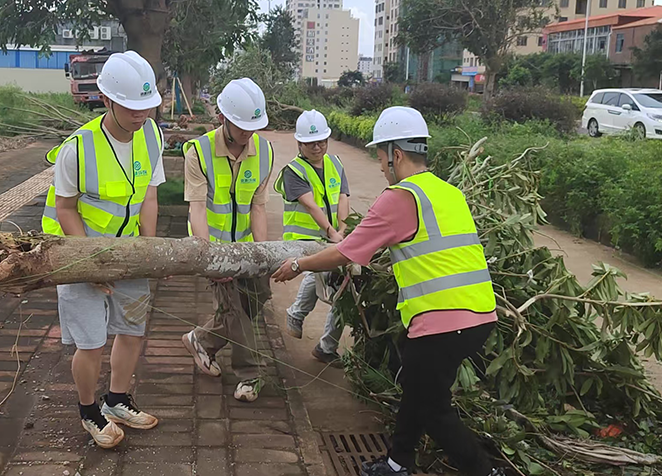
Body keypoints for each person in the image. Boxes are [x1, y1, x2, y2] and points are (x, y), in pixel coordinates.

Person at [272, 107, 504, 476]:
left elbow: (347, 251)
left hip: (443, 321)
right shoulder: (448, 192)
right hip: (479, 314)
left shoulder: (400, 197)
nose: (380, 167)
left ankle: (484, 471)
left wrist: (299, 265)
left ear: (396, 155)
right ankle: (397, 463)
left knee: (433, 408)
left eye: (380, 158)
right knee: (416, 387)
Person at [41, 51, 163, 449]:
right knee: (91, 341)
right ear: (107, 100)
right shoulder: (77, 148)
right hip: (79, 252)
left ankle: (117, 400)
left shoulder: (152, 135)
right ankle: (89, 411)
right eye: (130, 106)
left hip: (129, 252)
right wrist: (89, 264)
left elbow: (148, 195)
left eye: (146, 105)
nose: (140, 114)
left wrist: (148, 249)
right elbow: (65, 209)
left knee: (132, 330)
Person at [180, 78, 274, 403]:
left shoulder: (264, 151)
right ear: (222, 118)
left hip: (247, 247)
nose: (248, 133)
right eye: (242, 126)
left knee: (258, 297)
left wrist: (263, 256)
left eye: (253, 126)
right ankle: (251, 373)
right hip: (214, 247)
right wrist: (210, 259)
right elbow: (196, 208)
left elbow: (258, 207)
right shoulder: (199, 152)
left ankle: (202, 340)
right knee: (235, 310)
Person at [274, 110, 349, 364]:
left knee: (345, 285)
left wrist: (343, 229)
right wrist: (332, 233)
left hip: (333, 237)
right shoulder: (293, 171)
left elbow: (343, 197)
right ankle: (297, 314)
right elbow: (311, 206)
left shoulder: (335, 163)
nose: (317, 147)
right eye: (311, 143)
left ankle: (326, 345)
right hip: (304, 239)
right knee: (323, 271)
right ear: (300, 143)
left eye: (322, 141)